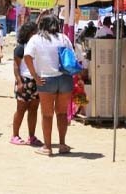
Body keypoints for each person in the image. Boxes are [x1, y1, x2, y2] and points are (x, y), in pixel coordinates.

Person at [24, 15, 75, 156]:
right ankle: (62, 144)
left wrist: (35, 76)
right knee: (62, 113)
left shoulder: (36, 39)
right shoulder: (64, 38)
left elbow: (27, 56)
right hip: (65, 78)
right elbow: (73, 56)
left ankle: (47, 146)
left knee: (47, 115)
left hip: (46, 79)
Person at [11, 22, 42, 147]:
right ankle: (15, 135)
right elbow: (16, 66)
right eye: (35, 32)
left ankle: (31, 136)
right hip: (24, 81)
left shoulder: (38, 47)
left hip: (36, 81)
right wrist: (19, 82)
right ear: (29, 33)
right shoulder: (21, 48)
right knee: (21, 110)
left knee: (34, 110)